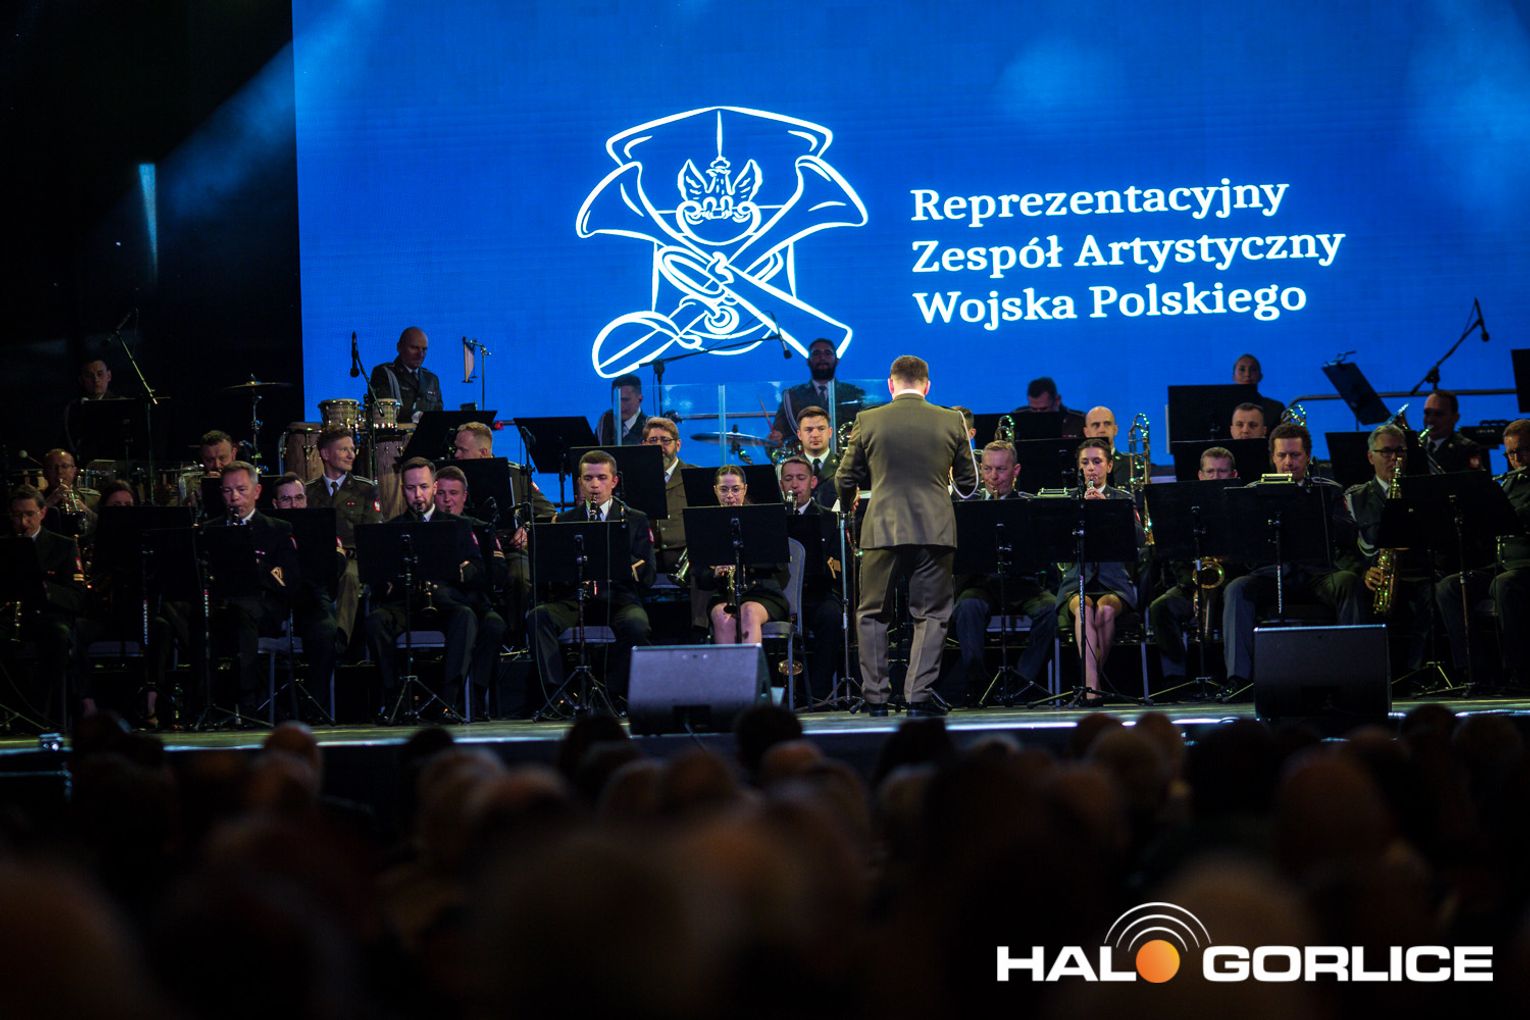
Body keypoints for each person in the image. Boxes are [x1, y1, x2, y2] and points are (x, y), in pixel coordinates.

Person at [834, 355, 977, 716]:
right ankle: (917, 696)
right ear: (927, 385)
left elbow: (844, 478)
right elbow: (968, 483)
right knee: (931, 615)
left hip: (881, 527)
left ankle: (876, 698)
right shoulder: (952, 420)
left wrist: (849, 504)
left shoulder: (868, 420)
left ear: (890, 384)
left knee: (871, 614)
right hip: (935, 528)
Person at [1220, 423, 1364, 686]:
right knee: (1236, 589)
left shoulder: (1328, 489)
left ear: (1307, 456)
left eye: (1295, 455)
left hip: (1318, 574)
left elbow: (1348, 535)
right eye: (1282, 455)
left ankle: (1351, 675)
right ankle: (1238, 679)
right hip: (1269, 574)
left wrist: (1316, 509)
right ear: (1272, 458)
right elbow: (1240, 545)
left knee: (1348, 582)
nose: (1288, 462)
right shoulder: (1253, 492)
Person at [528, 450, 654, 707]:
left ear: (614, 481)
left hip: (618, 599)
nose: (595, 485)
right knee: (538, 617)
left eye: (601, 478)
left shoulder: (635, 519)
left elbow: (648, 572)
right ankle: (557, 696)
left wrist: (615, 560)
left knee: (637, 626)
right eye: (588, 478)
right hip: (575, 599)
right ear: (579, 482)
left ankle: (612, 693)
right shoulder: (564, 520)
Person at [364, 458, 482, 721]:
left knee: (466, 617)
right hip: (404, 605)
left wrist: (456, 572)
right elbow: (378, 581)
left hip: (444, 603)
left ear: (434, 487)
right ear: (402, 489)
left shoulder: (457, 526)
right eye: (410, 488)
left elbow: (477, 567)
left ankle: (448, 701)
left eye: (424, 487)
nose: (417, 495)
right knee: (375, 622)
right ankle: (395, 699)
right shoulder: (391, 529)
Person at [941, 441, 1057, 708]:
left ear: (1016, 471)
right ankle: (977, 682)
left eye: (1001, 470)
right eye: (988, 469)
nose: (993, 476)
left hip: (1023, 585)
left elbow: (1044, 556)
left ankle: (1022, 681)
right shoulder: (967, 508)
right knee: (967, 606)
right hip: (982, 584)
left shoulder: (1029, 505)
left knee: (1050, 609)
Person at [1434, 418, 1530, 687]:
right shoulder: (1507, 483)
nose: (1516, 459)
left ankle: (1519, 672)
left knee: (1504, 584)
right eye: (1510, 453)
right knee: (1449, 587)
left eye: (1522, 450)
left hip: (1525, 566)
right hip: (1503, 564)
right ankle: (1475, 671)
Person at [205, 462, 301, 721]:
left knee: (241, 614)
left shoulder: (277, 529)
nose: (234, 497)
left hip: (264, 608)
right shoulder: (210, 529)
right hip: (221, 607)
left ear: (257, 491)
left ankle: (247, 702)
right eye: (227, 491)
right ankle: (204, 700)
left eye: (241, 490)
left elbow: (289, 580)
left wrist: (258, 567)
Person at [1056, 438, 1141, 700]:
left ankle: (1089, 686)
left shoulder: (1123, 498)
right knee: (1084, 610)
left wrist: (1108, 511)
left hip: (1114, 583)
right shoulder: (1069, 499)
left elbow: (1139, 540)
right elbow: (1057, 545)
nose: (1091, 468)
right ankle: (1094, 688)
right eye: (1085, 462)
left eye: (1097, 461)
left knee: (1104, 610)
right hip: (1077, 582)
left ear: (1109, 465)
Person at [1345, 424, 1434, 674]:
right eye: (1386, 451)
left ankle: (1415, 672)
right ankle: (1366, 672)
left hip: (1417, 572)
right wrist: (1363, 571)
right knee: (1353, 592)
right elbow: (1343, 548)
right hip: (1376, 574)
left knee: (1432, 596)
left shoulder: (1423, 494)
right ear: (1370, 456)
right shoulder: (1354, 498)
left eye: (1400, 451)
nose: (1394, 458)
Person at [1149, 447, 1241, 684]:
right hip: (1194, 583)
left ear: (1233, 475)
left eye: (1222, 471)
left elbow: (1249, 558)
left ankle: (1232, 677)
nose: (1215, 477)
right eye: (1210, 471)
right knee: (1160, 608)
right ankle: (1177, 678)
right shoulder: (1186, 507)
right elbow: (1175, 554)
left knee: (1236, 598)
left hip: (1229, 584)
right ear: (1200, 475)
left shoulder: (1241, 507)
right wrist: (1193, 582)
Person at [5, 485, 87, 724]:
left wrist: (45, 590)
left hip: (47, 618)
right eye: (17, 515)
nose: (23, 522)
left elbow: (77, 597)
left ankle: (45, 713)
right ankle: (15, 712)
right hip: (11, 617)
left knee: (58, 637)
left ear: (42, 513)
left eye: (29, 514)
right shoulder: (5, 545)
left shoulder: (63, 546)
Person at [433, 465, 509, 714]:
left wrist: (473, 573)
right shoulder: (426, 528)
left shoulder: (481, 528)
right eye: (441, 493)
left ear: (464, 496)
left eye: (453, 493)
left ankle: (475, 695)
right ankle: (450, 697)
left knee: (495, 625)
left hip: (475, 602)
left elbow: (498, 572)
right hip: (440, 607)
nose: (447, 500)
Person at [268, 473, 343, 717]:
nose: (294, 505)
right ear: (275, 504)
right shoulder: (265, 528)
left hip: (310, 597)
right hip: (273, 600)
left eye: (299, 498)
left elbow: (338, 564)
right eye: (286, 499)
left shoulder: (320, 526)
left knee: (326, 631)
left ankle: (315, 706)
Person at [304, 426, 381, 649]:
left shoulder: (366, 489)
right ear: (325, 454)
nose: (351, 455)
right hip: (319, 558)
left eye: (352, 449)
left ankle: (337, 640)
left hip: (352, 557)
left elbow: (372, 533)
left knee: (350, 576)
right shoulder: (308, 491)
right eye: (344, 449)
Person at [698, 466, 789, 645]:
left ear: (745, 489)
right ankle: (731, 664)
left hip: (763, 593)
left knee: (748, 612)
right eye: (724, 490)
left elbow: (780, 565)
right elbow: (700, 577)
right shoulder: (707, 525)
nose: (729, 496)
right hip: (725, 595)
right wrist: (715, 572)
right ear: (715, 490)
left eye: (735, 489)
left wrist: (741, 561)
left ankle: (750, 664)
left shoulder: (763, 520)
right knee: (722, 615)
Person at [779, 455, 844, 704]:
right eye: (788, 479)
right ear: (781, 484)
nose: (795, 485)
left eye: (801, 478)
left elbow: (840, 563)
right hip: (781, 594)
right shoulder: (773, 518)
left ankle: (818, 694)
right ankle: (779, 692)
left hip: (817, 592)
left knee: (832, 616)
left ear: (813, 482)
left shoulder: (828, 518)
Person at [769, 338, 867, 442]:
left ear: (837, 360)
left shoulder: (854, 394)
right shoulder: (792, 396)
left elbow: (866, 432)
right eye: (816, 353)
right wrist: (776, 438)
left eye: (827, 353)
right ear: (808, 361)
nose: (822, 357)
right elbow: (778, 436)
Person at [641, 417, 694, 575]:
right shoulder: (636, 479)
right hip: (647, 560)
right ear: (643, 445)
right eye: (653, 440)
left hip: (686, 561)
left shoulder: (694, 475)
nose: (659, 446)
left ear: (678, 445)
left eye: (665, 440)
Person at [369, 326, 443, 424]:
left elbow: (439, 414)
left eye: (424, 349)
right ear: (399, 347)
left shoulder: (431, 379)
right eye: (414, 348)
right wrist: (416, 416)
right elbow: (384, 411)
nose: (420, 354)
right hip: (397, 433)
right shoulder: (384, 373)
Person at [1421, 390, 1486, 473]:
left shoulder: (1467, 449)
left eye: (1438, 414)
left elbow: (1473, 479)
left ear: (1455, 418)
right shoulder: (1414, 444)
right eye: (1427, 413)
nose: (1430, 420)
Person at [41, 448, 99, 538]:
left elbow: (103, 527)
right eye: (52, 467)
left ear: (74, 471)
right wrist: (48, 504)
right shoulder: (34, 499)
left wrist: (85, 510)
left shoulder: (93, 499)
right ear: (44, 473)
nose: (59, 472)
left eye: (64, 466)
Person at [793, 406, 839, 508]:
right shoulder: (790, 469)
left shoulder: (845, 466)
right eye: (809, 430)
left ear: (830, 432)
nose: (815, 434)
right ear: (799, 434)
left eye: (821, 429)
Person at [1011, 376, 1085, 436]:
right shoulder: (1016, 418)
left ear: (1057, 400)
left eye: (1043, 409)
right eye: (1034, 409)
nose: (1038, 414)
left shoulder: (1079, 421)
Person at [1232, 353, 1285, 428]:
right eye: (1242, 369)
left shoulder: (1275, 409)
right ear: (1234, 377)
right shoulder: (1221, 408)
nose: (1247, 374)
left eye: (1253, 370)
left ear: (1260, 376)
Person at [595, 373, 648, 446]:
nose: (620, 405)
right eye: (616, 400)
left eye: (625, 400)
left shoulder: (648, 428)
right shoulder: (606, 420)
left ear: (640, 399)